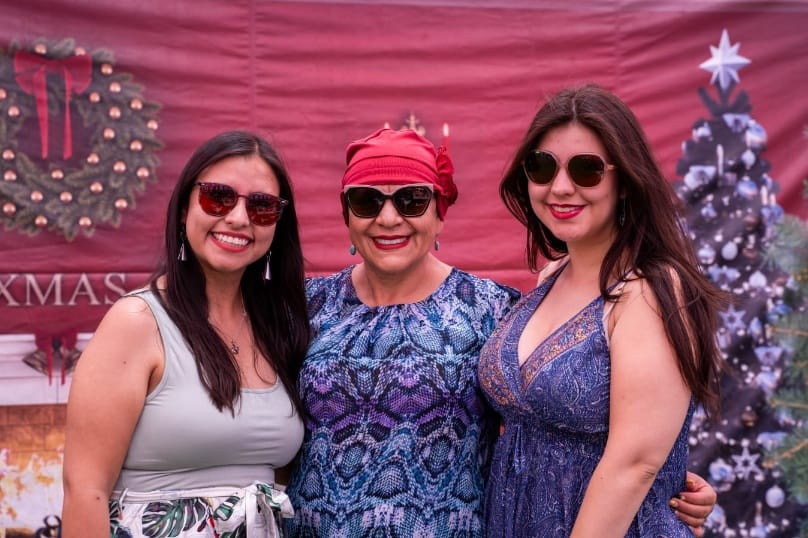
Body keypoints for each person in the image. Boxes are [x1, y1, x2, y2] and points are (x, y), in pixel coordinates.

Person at [284, 127, 717, 537]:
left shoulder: (491, 308)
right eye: (366, 201)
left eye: (412, 200)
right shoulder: (305, 306)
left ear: (440, 212)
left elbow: (584, 409)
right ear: (347, 215)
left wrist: (661, 480)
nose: (389, 217)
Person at [479, 84, 726, 537]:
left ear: (625, 181)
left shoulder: (651, 290)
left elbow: (635, 465)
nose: (560, 187)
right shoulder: (551, 276)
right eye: (542, 166)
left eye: (587, 169)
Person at [61, 130, 310, 537]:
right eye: (218, 197)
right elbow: (84, 492)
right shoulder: (137, 321)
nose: (239, 218)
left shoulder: (279, 328)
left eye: (262, 206)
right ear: (183, 209)